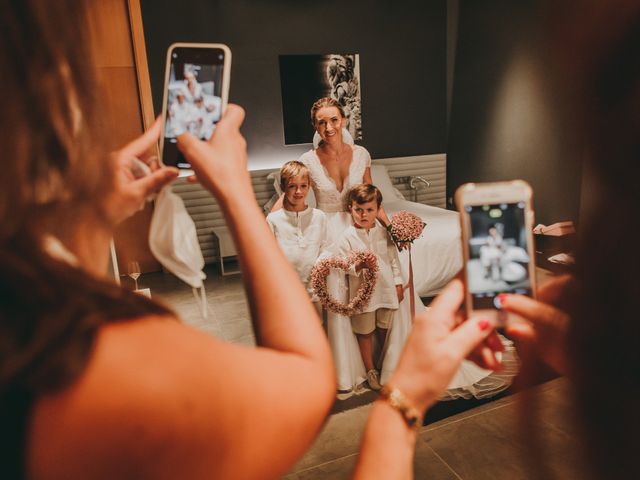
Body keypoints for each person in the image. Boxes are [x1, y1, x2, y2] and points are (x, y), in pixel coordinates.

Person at [0, 2, 335, 479]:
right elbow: (305, 379)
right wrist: (237, 193)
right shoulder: (84, 359)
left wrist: (91, 212)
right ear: (50, 97)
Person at [276, 97, 510, 398]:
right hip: (332, 237)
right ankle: (349, 370)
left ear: (344, 120)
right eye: (322, 122)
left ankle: (387, 359)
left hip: (366, 229)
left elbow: (374, 198)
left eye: (334, 119)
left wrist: (393, 229)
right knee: (342, 302)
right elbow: (292, 197)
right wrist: (270, 219)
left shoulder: (361, 154)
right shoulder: (308, 161)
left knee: (383, 293)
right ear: (315, 127)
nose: (329, 127)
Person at [337, 184, 404, 390]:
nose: (363, 214)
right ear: (351, 209)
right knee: (365, 332)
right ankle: (370, 369)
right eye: (358, 210)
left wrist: (398, 282)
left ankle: (387, 366)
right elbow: (343, 265)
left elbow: (393, 260)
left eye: (369, 210)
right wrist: (357, 265)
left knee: (385, 329)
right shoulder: (347, 236)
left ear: (378, 210)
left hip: (385, 290)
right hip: (362, 294)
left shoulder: (384, 233)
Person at [266, 161, 327, 317]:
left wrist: (320, 269)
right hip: (285, 291)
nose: (298, 191)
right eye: (292, 186)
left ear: (309, 186)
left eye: (303, 186)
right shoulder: (273, 220)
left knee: (316, 330)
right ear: (283, 187)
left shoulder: (319, 217)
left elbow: (326, 248)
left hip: (314, 289)